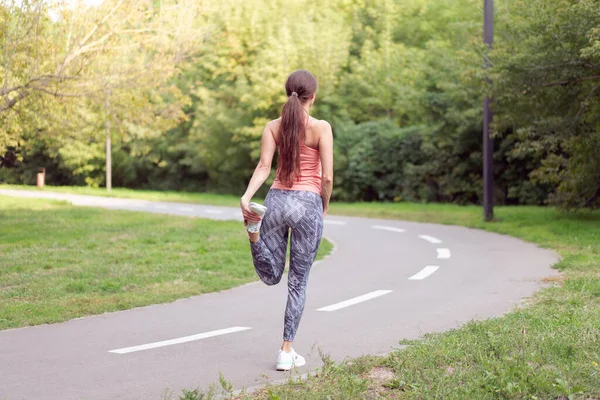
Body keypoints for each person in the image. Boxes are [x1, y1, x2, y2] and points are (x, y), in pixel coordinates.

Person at [240, 70, 333, 371]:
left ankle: (254, 235)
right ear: (313, 97)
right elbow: (328, 177)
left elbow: (264, 166)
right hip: (307, 205)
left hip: (276, 201)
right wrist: (324, 206)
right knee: (298, 281)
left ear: (287, 93)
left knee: (271, 276)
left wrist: (247, 196)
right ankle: (286, 350)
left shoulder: (273, 126)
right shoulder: (321, 128)